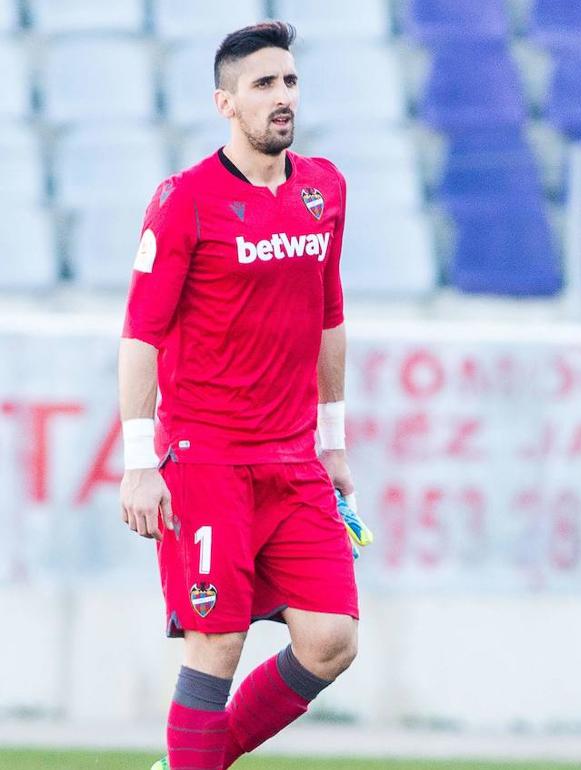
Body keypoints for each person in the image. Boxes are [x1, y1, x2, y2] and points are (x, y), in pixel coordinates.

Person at [118, 21, 359, 770]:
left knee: (331, 641)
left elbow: (329, 318)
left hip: (294, 464)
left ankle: (188, 764)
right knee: (216, 641)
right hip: (208, 461)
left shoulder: (324, 189)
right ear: (226, 103)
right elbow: (140, 336)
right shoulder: (186, 200)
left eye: (289, 82)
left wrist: (334, 440)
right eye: (263, 85)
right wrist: (138, 461)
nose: (282, 98)